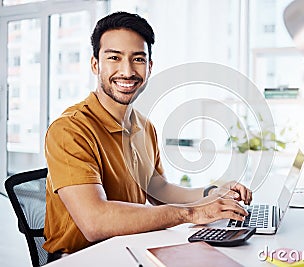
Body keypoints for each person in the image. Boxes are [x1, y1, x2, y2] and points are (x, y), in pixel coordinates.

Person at [43, 11, 252, 256]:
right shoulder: (70, 129)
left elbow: (159, 190)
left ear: (150, 67)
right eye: (114, 57)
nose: (127, 71)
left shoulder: (144, 126)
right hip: (81, 258)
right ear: (95, 64)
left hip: (130, 247)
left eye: (138, 59)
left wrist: (210, 194)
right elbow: (95, 222)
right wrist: (193, 213)